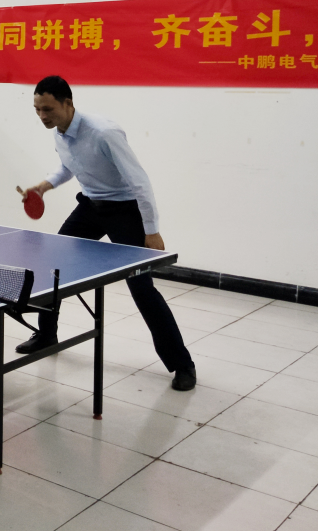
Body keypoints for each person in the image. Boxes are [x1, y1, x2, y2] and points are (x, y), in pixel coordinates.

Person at [17, 75, 197, 392]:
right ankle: (46, 334)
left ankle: (182, 364)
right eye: (37, 110)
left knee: (141, 287)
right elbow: (69, 166)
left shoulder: (104, 133)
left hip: (125, 211)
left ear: (67, 103)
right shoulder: (59, 131)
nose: (42, 116)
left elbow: (139, 182)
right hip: (91, 206)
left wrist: (151, 231)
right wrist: (44, 186)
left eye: (48, 109)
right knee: (53, 266)